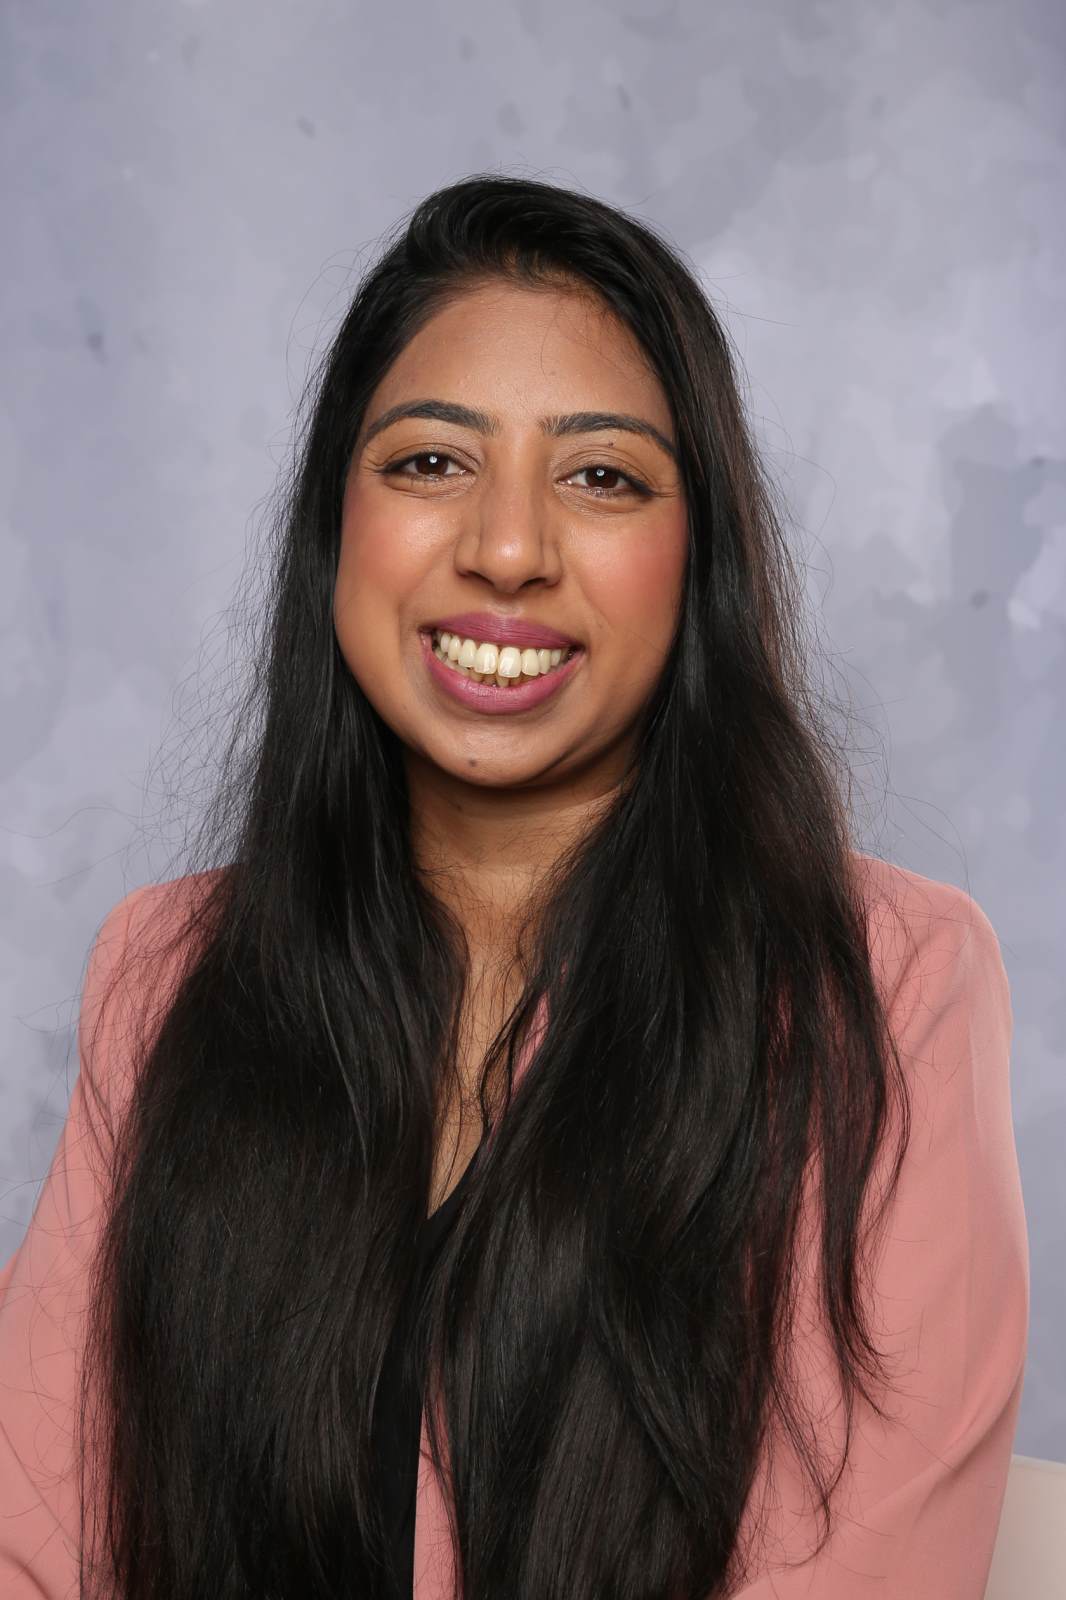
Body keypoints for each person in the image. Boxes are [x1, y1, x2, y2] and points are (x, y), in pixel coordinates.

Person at [0, 174, 1028, 1600]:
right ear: (334, 525)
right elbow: (38, 1539)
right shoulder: (165, 970)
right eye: (430, 461)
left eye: (602, 477)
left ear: (700, 558)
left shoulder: (888, 979)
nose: (504, 549)